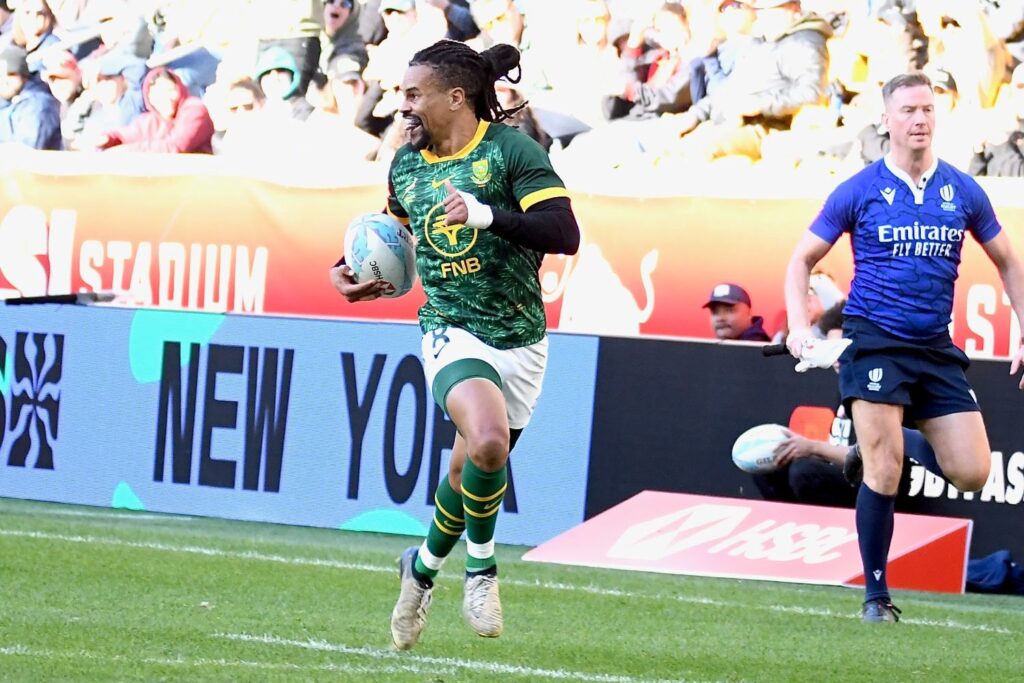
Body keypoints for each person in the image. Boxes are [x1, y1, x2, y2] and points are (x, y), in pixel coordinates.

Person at [329, 39, 580, 650]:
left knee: (469, 468)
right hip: (449, 326)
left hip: (520, 335)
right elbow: (393, 230)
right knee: (489, 442)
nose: (403, 105)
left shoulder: (510, 151)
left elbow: (564, 232)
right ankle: (482, 570)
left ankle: (419, 570)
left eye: (414, 94)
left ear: (455, 97)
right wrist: (348, 270)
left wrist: (485, 215)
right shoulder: (406, 163)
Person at [784, 71, 1024, 624]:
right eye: (908, 111)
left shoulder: (963, 190)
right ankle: (876, 597)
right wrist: (800, 327)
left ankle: (886, 442)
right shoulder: (859, 189)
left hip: (934, 347)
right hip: (874, 342)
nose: (919, 119)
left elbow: (1009, 261)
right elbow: (801, 259)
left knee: (972, 472)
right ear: (886, 120)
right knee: (884, 470)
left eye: (927, 110)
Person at [0, 44, 61, 149]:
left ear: (24, 75)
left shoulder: (39, 104)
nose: (4, 80)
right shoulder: (7, 103)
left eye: (11, 74)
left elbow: (24, 151)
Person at [703, 282, 770, 341]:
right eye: (715, 312)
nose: (720, 318)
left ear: (749, 313)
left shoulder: (756, 347)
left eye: (729, 310)